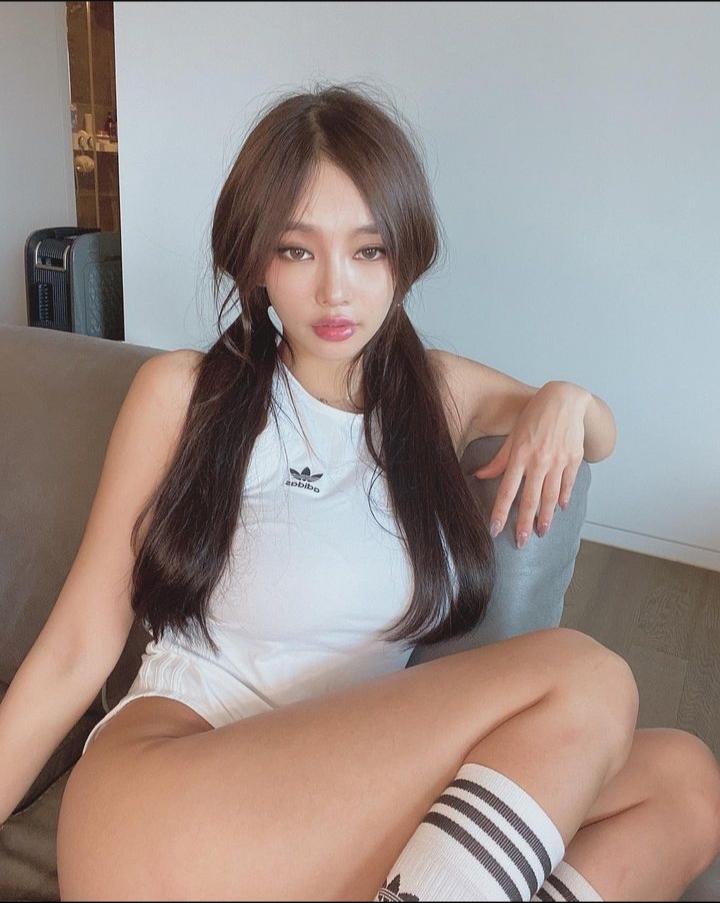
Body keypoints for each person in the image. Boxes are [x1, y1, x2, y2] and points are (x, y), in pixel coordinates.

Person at [1, 82, 718, 903]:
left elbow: (600, 433)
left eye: (368, 250)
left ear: (403, 256)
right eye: (298, 250)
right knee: (585, 678)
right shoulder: (184, 394)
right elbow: (73, 652)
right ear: (256, 260)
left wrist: (567, 399)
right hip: (166, 806)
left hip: (334, 809)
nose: (336, 290)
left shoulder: (438, 395)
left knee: (684, 783)